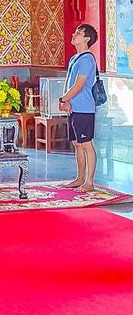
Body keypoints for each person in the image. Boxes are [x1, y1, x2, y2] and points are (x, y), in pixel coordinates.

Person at [59, 23, 98, 191]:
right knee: (76, 143)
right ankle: (79, 177)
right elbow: (69, 82)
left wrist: (63, 99)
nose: (74, 34)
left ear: (86, 39)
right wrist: (66, 102)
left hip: (84, 108)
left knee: (86, 143)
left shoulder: (88, 59)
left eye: (79, 33)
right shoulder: (75, 59)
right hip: (73, 107)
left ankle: (89, 182)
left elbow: (79, 85)